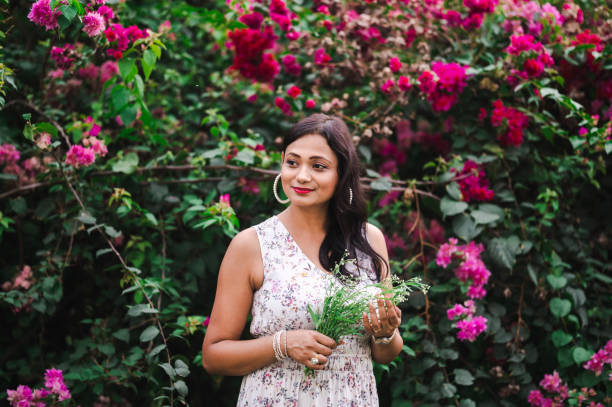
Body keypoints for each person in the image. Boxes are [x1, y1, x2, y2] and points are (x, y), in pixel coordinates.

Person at [201, 113, 403, 406]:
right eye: (292, 162)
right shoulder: (252, 245)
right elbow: (213, 356)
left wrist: (385, 334)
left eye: (318, 166)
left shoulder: (368, 240)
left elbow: (385, 352)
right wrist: (282, 344)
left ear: (342, 173)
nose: (302, 176)